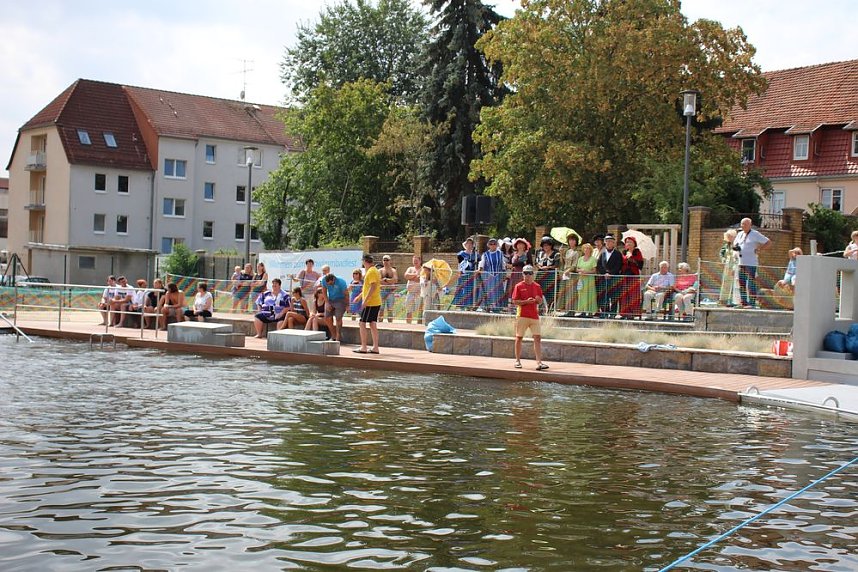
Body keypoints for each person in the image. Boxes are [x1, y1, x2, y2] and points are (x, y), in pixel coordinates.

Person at [511, 265, 549, 371]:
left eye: (530, 273)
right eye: (525, 273)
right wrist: (526, 302)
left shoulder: (537, 286)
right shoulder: (518, 286)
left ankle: (539, 362)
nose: (527, 275)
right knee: (519, 337)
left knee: (537, 338)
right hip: (522, 315)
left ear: (533, 274)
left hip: (534, 315)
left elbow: (540, 300)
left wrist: (538, 300)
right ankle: (517, 361)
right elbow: (515, 301)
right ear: (522, 274)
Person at [732, 218, 771, 308]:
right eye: (741, 224)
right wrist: (736, 248)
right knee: (741, 283)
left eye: (744, 224)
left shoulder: (755, 234)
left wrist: (759, 249)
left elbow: (768, 242)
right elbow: (735, 244)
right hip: (741, 262)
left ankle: (752, 303)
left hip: (751, 263)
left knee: (751, 283)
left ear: (750, 225)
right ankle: (743, 302)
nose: (742, 226)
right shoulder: (740, 234)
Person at [354, 254, 381, 354]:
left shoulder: (371, 271)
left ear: (365, 261)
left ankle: (364, 347)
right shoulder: (373, 271)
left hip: (371, 303)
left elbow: (373, 287)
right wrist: (360, 296)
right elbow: (368, 287)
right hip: (374, 301)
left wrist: (365, 301)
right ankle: (375, 347)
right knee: (372, 324)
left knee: (362, 323)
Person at [596, 234, 623, 317]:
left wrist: (610, 273)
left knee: (614, 296)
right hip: (604, 278)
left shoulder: (618, 254)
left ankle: (613, 313)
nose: (609, 243)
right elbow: (599, 265)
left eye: (611, 241)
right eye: (607, 241)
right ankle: (604, 312)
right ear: (605, 243)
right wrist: (604, 273)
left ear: (614, 243)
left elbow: (619, 265)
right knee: (604, 296)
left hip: (614, 278)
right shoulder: (602, 253)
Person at [477, 238, 506, 312]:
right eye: (491, 244)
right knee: (488, 291)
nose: (493, 245)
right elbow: (482, 264)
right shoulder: (485, 254)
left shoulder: (500, 253)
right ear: (488, 245)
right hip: (488, 276)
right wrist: (480, 269)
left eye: (494, 244)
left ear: (497, 245)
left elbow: (503, 264)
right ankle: (486, 307)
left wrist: (504, 274)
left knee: (498, 291)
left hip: (498, 275)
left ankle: (497, 308)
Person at [620, 237, 644, 319]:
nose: (628, 243)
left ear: (634, 244)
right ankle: (624, 313)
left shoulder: (637, 252)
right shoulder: (623, 252)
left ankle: (632, 313)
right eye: (627, 242)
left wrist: (631, 258)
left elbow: (640, 265)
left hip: (633, 276)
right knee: (624, 295)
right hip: (624, 276)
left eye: (630, 242)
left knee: (633, 295)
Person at [453, 237, 479, 308]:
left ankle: (470, 305)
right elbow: (460, 265)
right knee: (463, 290)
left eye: (471, 243)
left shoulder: (476, 255)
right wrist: (460, 272)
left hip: (472, 276)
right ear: (466, 244)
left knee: (470, 290)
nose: (469, 245)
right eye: (468, 243)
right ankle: (461, 305)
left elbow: (478, 264)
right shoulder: (461, 254)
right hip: (464, 275)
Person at [535, 236, 560, 310]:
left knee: (551, 292)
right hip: (541, 274)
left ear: (551, 245)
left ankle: (551, 308)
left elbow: (557, 265)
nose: (546, 246)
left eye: (548, 245)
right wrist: (539, 266)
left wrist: (548, 267)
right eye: (544, 245)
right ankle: (540, 308)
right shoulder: (539, 252)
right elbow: (536, 262)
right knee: (539, 291)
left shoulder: (556, 253)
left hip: (551, 275)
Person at [322, 273, 349, 341]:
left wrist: (348, 305)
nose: (329, 285)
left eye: (331, 283)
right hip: (330, 299)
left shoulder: (341, 282)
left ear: (334, 279)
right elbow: (324, 292)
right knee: (327, 318)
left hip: (340, 299)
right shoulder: (324, 280)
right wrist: (327, 303)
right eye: (328, 284)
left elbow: (346, 294)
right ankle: (333, 335)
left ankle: (338, 336)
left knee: (338, 318)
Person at [575, 243, 598, 316]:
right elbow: (577, 268)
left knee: (590, 295)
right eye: (585, 248)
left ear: (590, 250)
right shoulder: (580, 259)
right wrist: (580, 271)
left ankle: (590, 312)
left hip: (589, 279)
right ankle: (583, 311)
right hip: (581, 279)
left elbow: (594, 270)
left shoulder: (593, 259)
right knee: (582, 294)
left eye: (588, 248)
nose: (586, 250)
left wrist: (586, 272)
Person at [719, 229, 740, 306]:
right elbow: (722, 252)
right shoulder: (727, 245)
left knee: (733, 283)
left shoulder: (737, 244)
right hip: (727, 266)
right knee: (725, 282)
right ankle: (723, 300)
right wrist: (723, 259)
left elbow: (738, 256)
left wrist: (735, 267)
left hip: (734, 266)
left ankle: (731, 301)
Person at [561, 232, 581, 313]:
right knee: (566, 292)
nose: (571, 242)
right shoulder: (568, 251)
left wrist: (568, 271)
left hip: (572, 274)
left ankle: (572, 310)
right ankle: (567, 310)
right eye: (570, 240)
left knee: (572, 292)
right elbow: (563, 262)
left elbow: (575, 265)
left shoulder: (577, 252)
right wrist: (561, 253)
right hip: (566, 273)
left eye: (573, 240)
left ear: (576, 241)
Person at [403, 255, 423, 324]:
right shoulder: (410, 268)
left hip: (419, 293)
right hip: (410, 293)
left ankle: (419, 325)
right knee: (409, 310)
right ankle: (408, 324)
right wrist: (415, 275)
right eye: (414, 261)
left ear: (420, 261)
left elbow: (420, 279)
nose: (415, 262)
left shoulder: (423, 269)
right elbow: (406, 275)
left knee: (420, 310)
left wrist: (411, 277)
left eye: (416, 261)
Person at [379, 255, 398, 323]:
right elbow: (379, 280)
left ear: (390, 261)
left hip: (390, 291)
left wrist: (386, 280)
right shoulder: (380, 270)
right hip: (382, 291)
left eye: (387, 260)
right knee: (381, 308)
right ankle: (380, 323)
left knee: (390, 308)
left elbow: (395, 280)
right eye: (384, 260)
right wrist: (390, 281)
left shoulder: (393, 270)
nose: (385, 261)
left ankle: (390, 323)